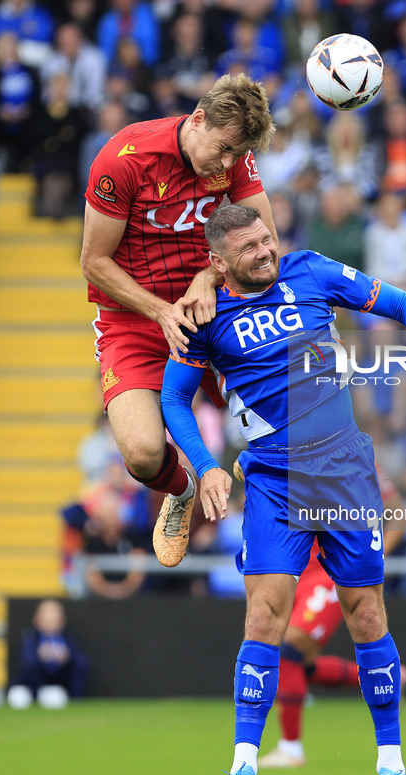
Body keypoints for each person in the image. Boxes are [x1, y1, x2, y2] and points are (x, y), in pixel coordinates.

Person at [160, 204, 406, 775]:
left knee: (365, 613)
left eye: (267, 239)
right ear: (218, 261)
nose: (265, 251)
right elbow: (174, 398)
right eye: (249, 248)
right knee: (265, 615)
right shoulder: (204, 317)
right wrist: (207, 465)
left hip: (345, 472)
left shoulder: (313, 271)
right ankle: (243, 767)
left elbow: (402, 304)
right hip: (272, 479)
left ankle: (391, 772)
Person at [80, 73, 276, 570]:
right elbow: (94, 262)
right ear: (198, 119)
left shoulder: (235, 158)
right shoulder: (123, 158)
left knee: (289, 414)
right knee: (143, 453)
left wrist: (207, 281)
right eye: (225, 149)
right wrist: (161, 310)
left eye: (239, 156)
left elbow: (266, 248)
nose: (229, 165)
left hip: (211, 310)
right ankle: (182, 490)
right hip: (132, 318)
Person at [256, 470, 406, 769]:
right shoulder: (290, 452)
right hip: (296, 568)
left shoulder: (359, 459)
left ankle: (291, 749)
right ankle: (389, 678)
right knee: (297, 665)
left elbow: (399, 515)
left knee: (288, 651)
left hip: (330, 571)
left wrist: (375, 560)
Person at [8, 599, 89, 706]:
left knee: (81, 664)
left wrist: (66, 657)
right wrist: (40, 656)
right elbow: (27, 663)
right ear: (37, 620)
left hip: (58, 685)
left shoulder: (68, 638)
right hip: (33, 686)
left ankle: (75, 701)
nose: (51, 624)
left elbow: (79, 660)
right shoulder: (30, 637)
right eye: (47, 620)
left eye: (55, 620)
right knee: (19, 696)